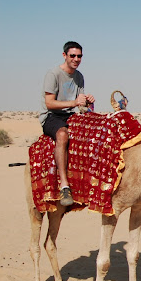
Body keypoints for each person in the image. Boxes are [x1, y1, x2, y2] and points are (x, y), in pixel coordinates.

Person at [39, 41, 95, 206]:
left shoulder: (79, 77)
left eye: (79, 56)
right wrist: (74, 103)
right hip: (51, 116)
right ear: (65, 55)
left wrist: (88, 101)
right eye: (73, 56)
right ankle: (65, 186)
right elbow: (49, 103)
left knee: (96, 131)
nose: (76, 59)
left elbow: (81, 106)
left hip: (71, 115)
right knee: (62, 135)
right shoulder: (53, 74)